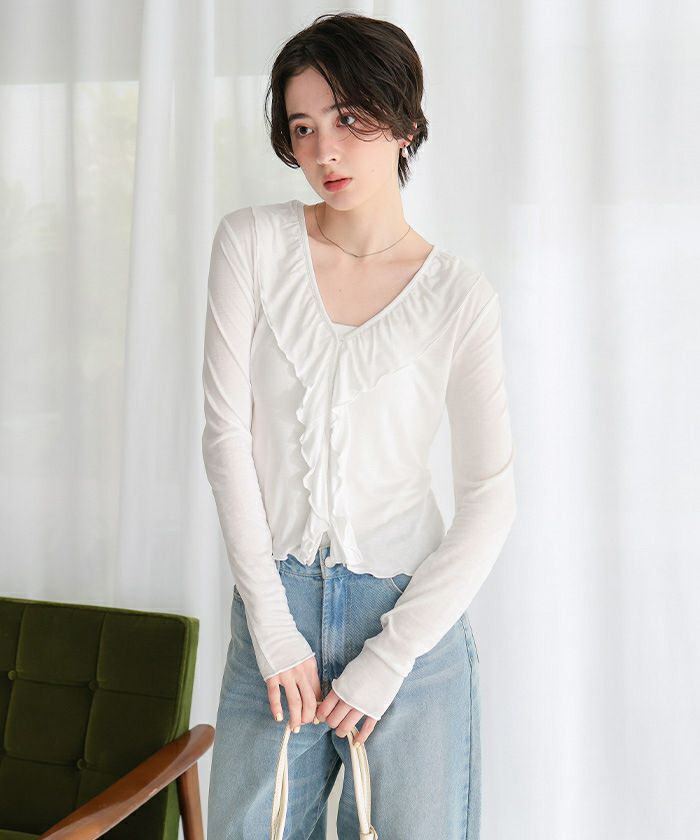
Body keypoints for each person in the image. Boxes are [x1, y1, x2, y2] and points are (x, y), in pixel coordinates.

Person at [202, 11, 516, 840]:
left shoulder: (459, 297)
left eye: (347, 118)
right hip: (276, 616)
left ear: (405, 123)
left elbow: (491, 498)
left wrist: (390, 657)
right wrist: (272, 628)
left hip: (409, 620)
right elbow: (226, 439)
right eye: (303, 127)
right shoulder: (251, 244)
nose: (324, 151)